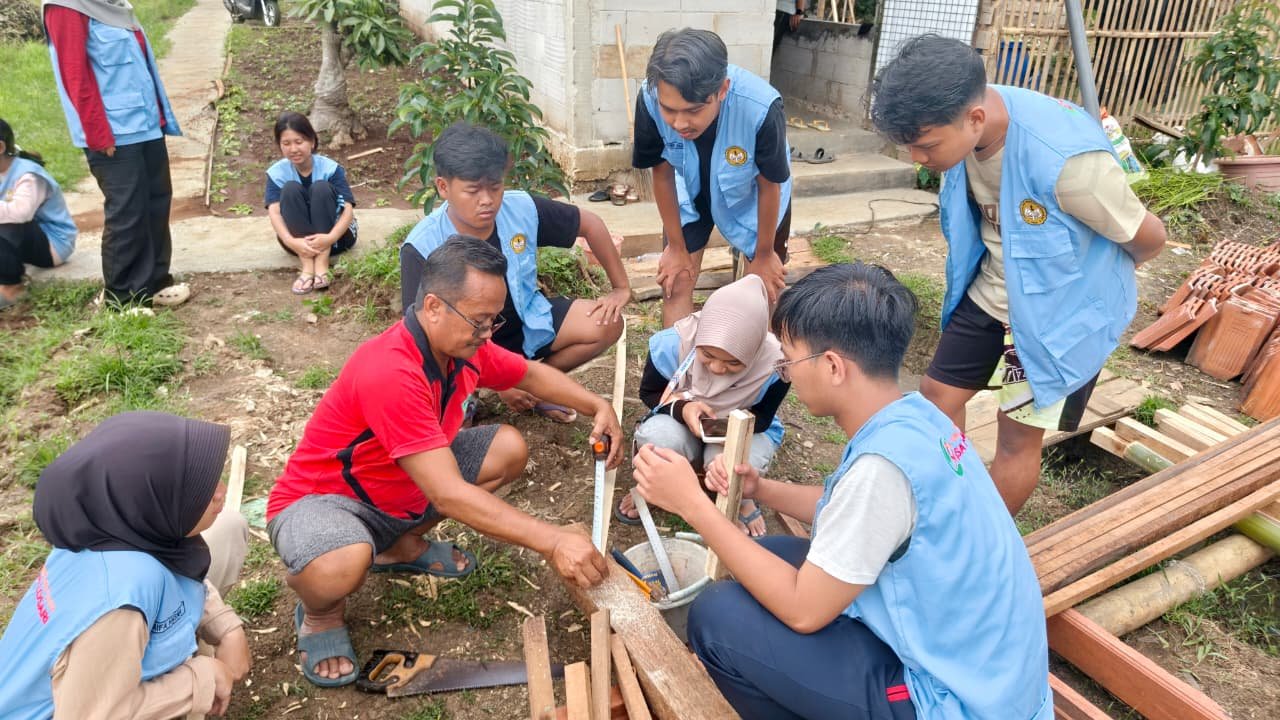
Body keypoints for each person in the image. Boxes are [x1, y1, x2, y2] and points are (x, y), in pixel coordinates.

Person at [632, 263, 1052, 719]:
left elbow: (802, 611)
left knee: (716, 618)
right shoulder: (917, 418)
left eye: (788, 360)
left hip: (953, 702)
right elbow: (854, 513)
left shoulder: (881, 470)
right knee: (770, 553)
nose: (785, 374)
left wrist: (693, 505)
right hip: (986, 672)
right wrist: (762, 488)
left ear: (832, 366)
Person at [270, 235, 623, 687]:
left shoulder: (463, 346)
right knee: (340, 563)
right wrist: (553, 540)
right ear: (433, 306)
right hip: (327, 501)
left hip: (399, 484)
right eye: (479, 320)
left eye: (494, 320)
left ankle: (396, 545)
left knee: (507, 450)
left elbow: (529, 373)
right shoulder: (391, 370)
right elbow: (449, 493)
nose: (488, 332)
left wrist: (597, 405)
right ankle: (320, 611)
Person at [870, 35, 1167, 514]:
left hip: (1054, 318)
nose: (916, 159)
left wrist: (1086, 285)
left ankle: (983, 539)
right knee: (937, 398)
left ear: (975, 120)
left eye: (925, 146)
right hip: (992, 291)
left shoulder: (1068, 164)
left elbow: (1148, 238)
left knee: (1016, 436)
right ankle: (952, 499)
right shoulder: (962, 113)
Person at [0, 411, 252, 719]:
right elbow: (92, 715)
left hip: (97, 676)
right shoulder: (121, 603)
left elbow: (179, 575)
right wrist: (202, 679)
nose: (221, 491)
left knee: (224, 526)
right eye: (197, 489)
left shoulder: (110, 530)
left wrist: (226, 626)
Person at [400, 122, 631, 423]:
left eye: (495, 187)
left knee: (607, 323)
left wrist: (620, 288)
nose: (487, 200)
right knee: (453, 423)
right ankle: (470, 394)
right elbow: (419, 334)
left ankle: (539, 386)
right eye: (472, 190)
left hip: (526, 323)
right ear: (443, 187)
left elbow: (591, 224)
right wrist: (499, 379)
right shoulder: (422, 245)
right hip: (462, 346)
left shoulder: (521, 209)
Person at [635, 28, 793, 327]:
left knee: (763, 289)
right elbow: (662, 172)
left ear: (722, 89)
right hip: (689, 188)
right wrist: (677, 249)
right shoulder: (649, 97)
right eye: (669, 110)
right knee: (676, 280)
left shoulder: (761, 108)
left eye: (693, 111)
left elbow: (769, 184)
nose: (680, 123)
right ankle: (677, 370)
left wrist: (763, 254)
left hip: (752, 193)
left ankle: (760, 369)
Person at [43, 0, 190, 308]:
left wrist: (160, 118)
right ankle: (122, 298)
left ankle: (154, 283)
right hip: (113, 132)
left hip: (145, 124)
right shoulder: (66, 6)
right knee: (127, 213)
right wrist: (98, 133)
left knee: (155, 204)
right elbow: (75, 73)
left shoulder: (115, 6)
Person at [615, 274, 788, 537]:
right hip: (680, 417)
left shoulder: (776, 363)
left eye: (734, 364)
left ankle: (739, 496)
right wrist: (684, 410)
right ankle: (653, 484)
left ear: (755, 349)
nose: (718, 369)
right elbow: (650, 393)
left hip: (740, 427)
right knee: (657, 437)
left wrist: (719, 436)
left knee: (736, 467)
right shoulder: (675, 343)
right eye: (707, 355)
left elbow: (762, 418)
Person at [265, 112, 358, 295]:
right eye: (286, 143)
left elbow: (348, 209)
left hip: (338, 238)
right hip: (297, 243)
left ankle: (322, 265)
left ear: (312, 142)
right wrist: (290, 241)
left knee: (321, 188)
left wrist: (330, 238)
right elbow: (275, 213)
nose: (293, 149)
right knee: (290, 189)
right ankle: (307, 267)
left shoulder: (330, 168)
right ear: (280, 146)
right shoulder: (277, 173)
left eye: (299, 142)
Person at [0, 119, 77, 310]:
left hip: (53, 245)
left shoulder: (29, 175)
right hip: (25, 241)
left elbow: (21, 213)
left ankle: (12, 286)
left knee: (10, 221)